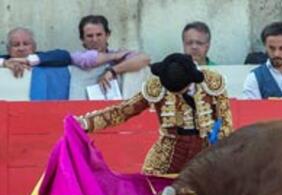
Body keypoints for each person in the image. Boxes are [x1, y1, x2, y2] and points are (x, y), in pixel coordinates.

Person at [76, 53, 233, 175]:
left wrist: (219, 147)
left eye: (181, 90)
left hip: (205, 151)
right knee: (149, 193)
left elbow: (225, 121)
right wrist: (86, 123)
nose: (177, 94)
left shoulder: (212, 83)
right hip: (168, 151)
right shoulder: (157, 86)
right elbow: (123, 111)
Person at [71, 15, 150, 92]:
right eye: (89, 36)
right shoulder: (77, 57)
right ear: (82, 39)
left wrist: (112, 71)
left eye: (99, 35)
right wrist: (113, 57)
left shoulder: (118, 55)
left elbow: (144, 59)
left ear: (107, 35)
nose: (95, 40)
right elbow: (88, 59)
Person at [0, 27, 70, 78]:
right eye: (16, 45)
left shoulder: (42, 58)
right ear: (8, 49)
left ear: (34, 47)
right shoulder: (6, 60)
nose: (21, 48)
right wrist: (4, 63)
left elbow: (65, 56)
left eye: (26, 44)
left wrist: (28, 61)